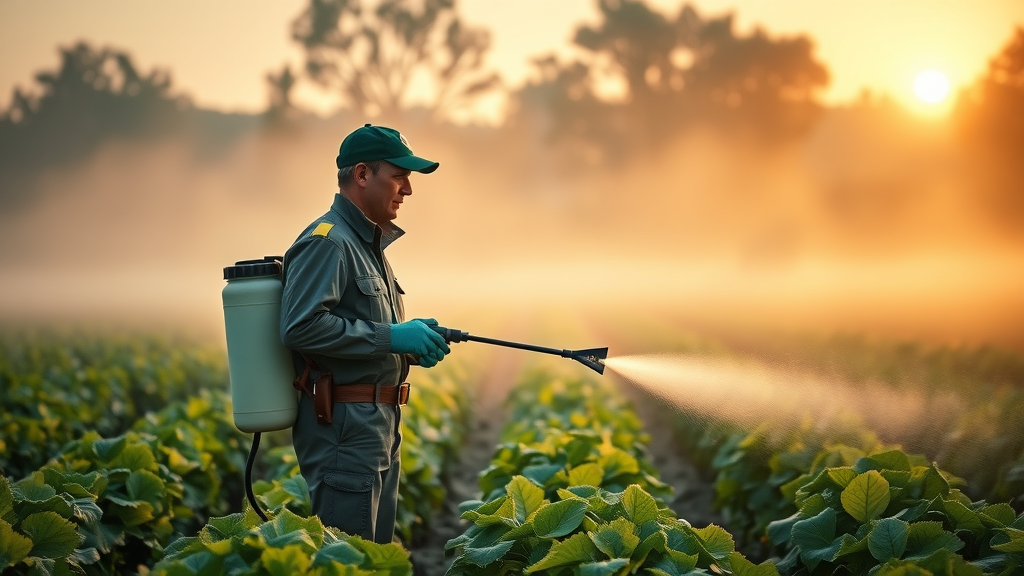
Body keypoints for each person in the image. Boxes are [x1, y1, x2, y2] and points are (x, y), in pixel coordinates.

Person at [279, 123, 451, 543]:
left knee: (373, 558)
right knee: (350, 561)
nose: (407, 189)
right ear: (361, 175)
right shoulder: (329, 242)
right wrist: (392, 338)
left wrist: (409, 344)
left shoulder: (366, 244)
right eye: (398, 175)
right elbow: (300, 326)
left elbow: (360, 324)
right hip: (344, 434)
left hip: (377, 429)